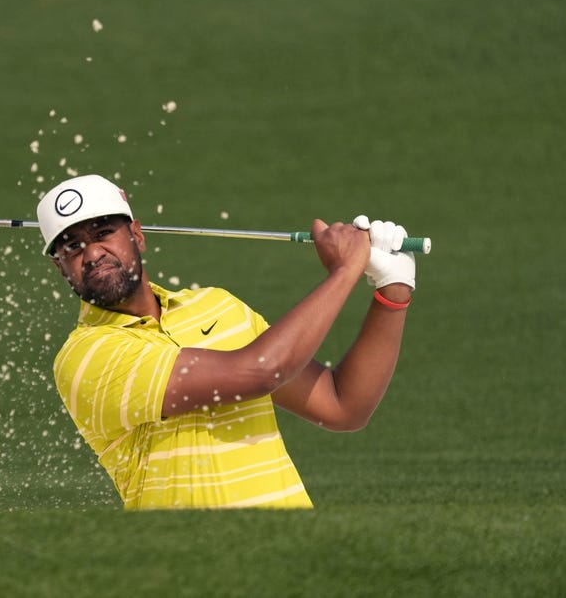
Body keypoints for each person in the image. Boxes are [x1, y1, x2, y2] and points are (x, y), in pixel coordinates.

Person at [36, 174, 416, 509]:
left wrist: (392, 292)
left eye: (103, 233)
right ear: (59, 266)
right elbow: (261, 371)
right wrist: (346, 268)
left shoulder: (218, 306)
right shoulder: (86, 357)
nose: (92, 253)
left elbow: (342, 406)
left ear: (137, 234)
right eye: (71, 246)